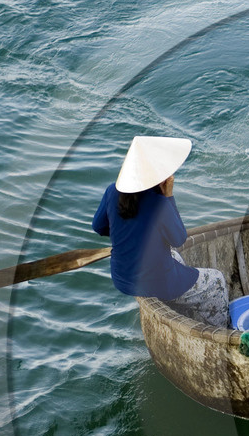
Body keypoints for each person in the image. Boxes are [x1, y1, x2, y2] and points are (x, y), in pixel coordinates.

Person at [92, 135, 228, 327]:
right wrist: (169, 197)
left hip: (123, 279)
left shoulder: (111, 191)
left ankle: (180, 310)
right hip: (156, 282)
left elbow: (98, 227)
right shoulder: (159, 203)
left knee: (175, 257)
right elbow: (179, 238)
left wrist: (126, 232)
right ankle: (221, 332)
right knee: (216, 281)